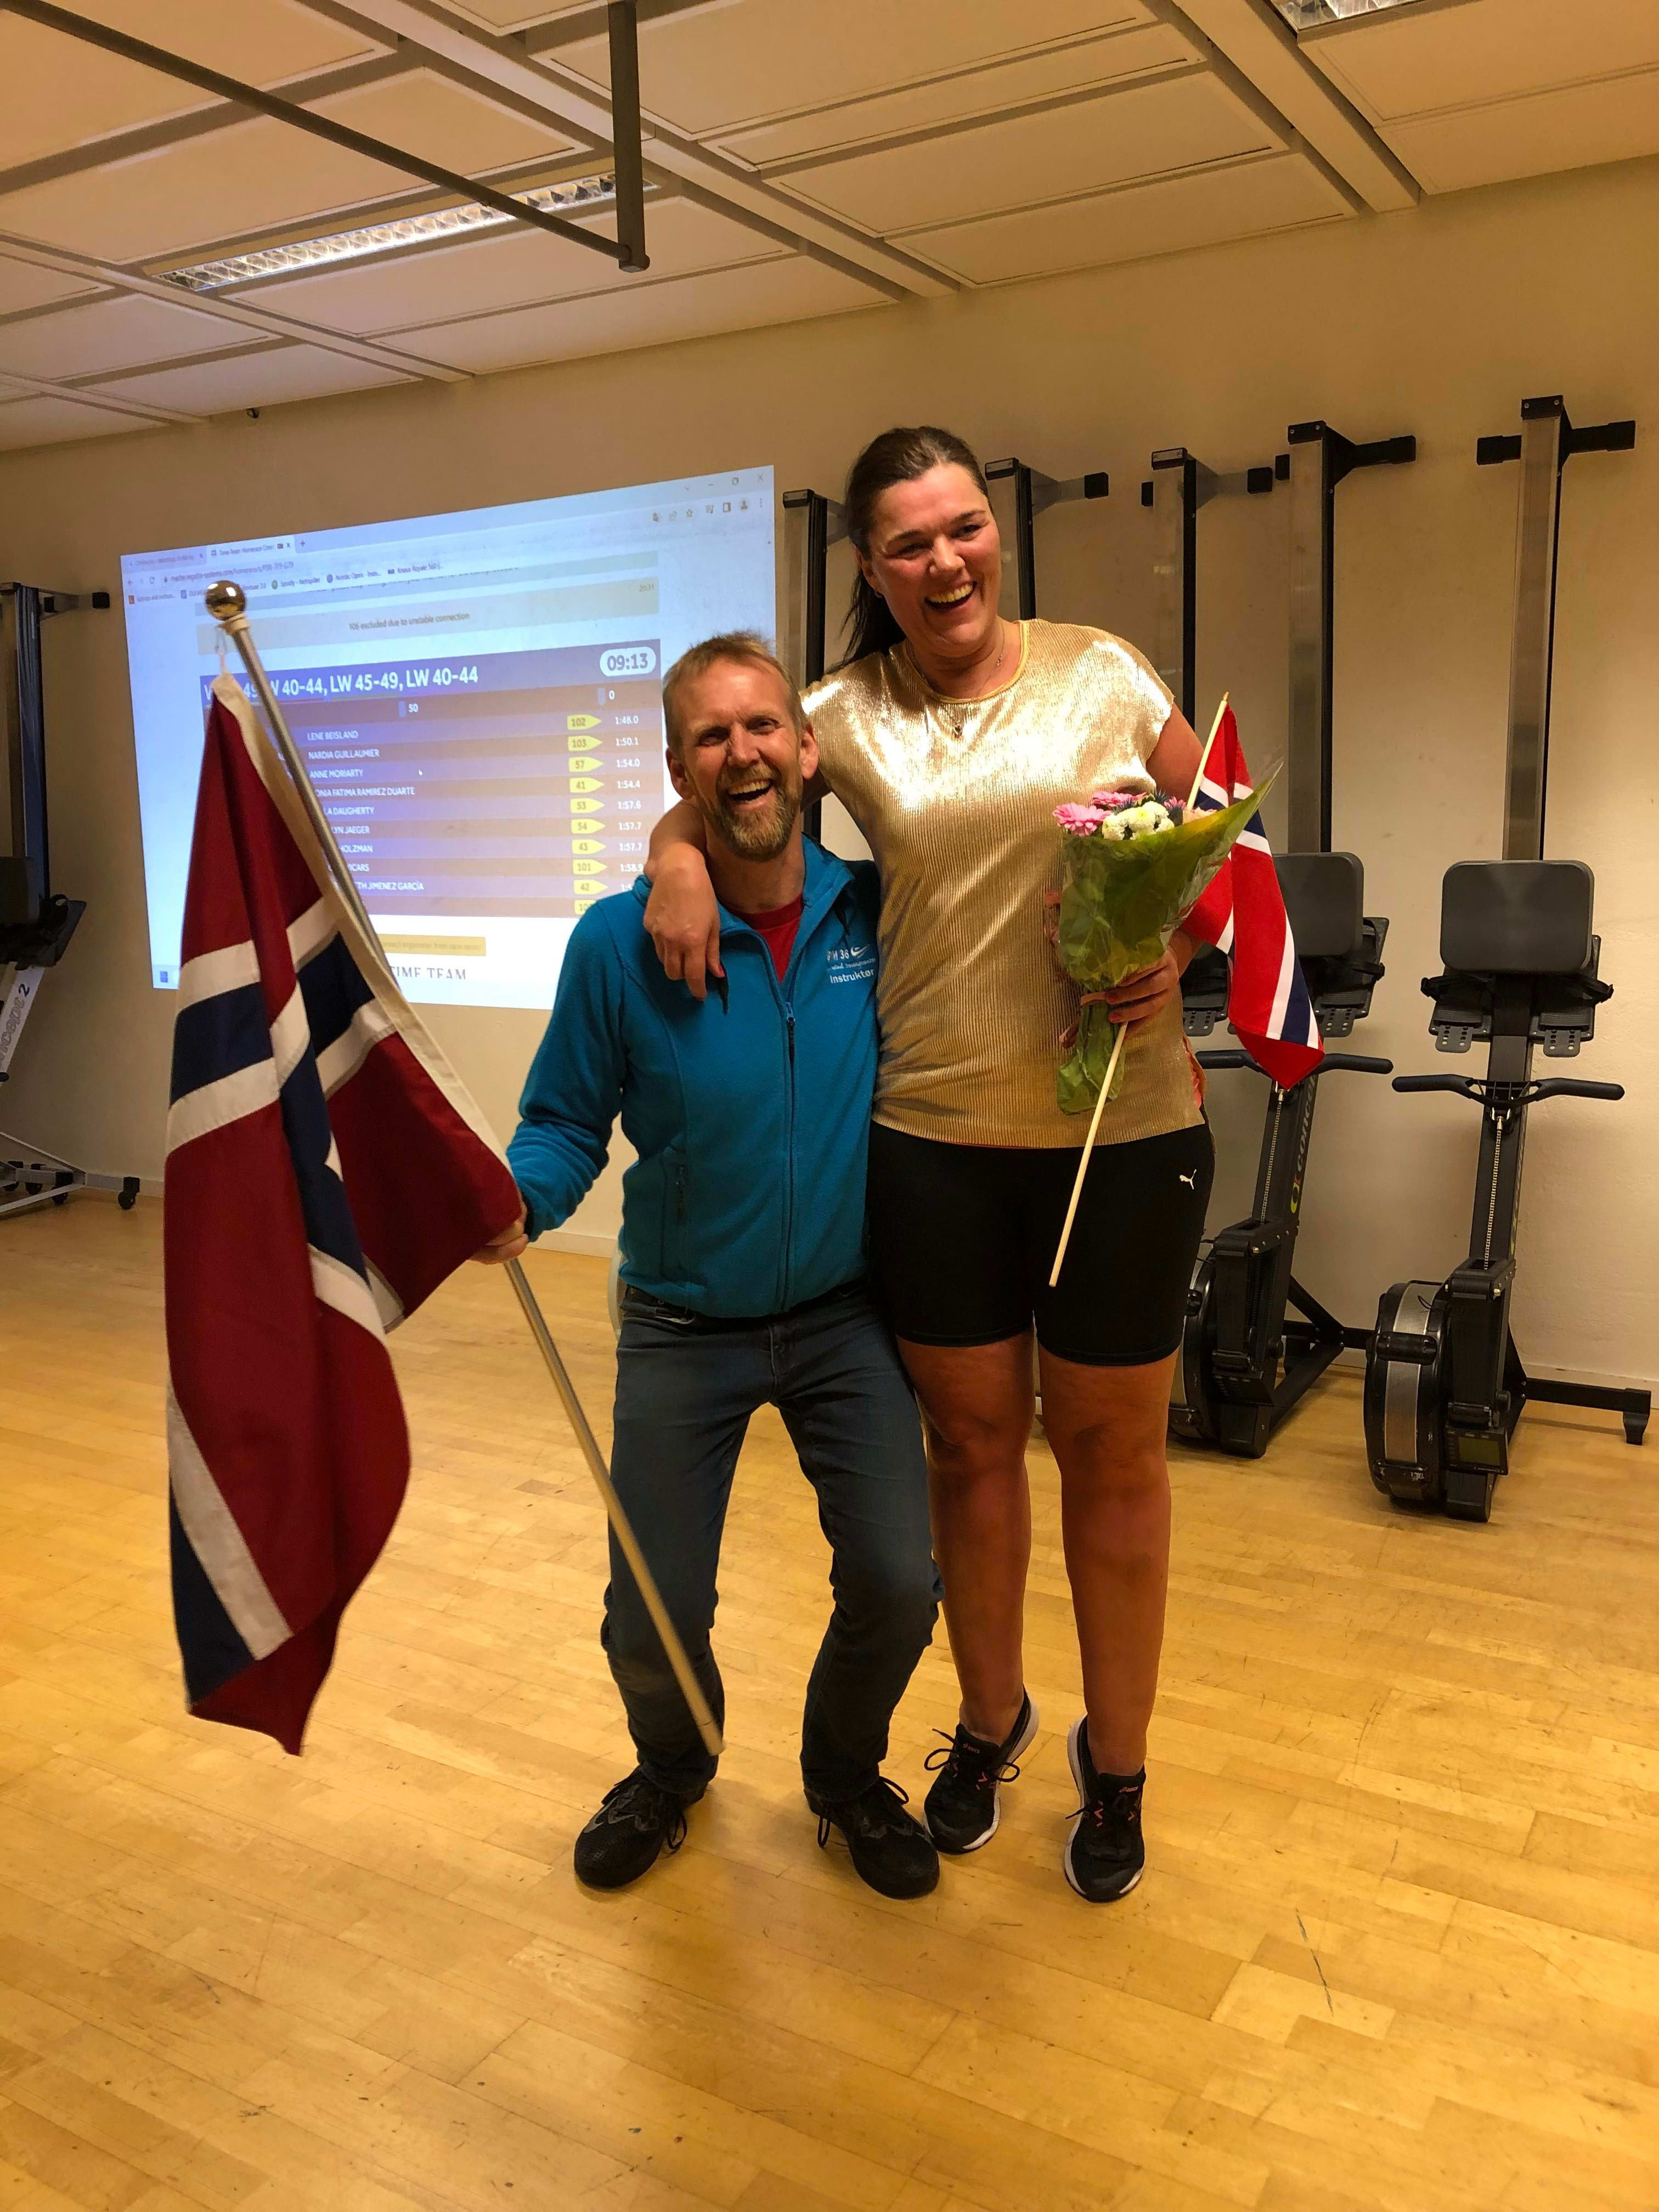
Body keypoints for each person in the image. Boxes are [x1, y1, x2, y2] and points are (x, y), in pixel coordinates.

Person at [644, 430, 1212, 1904]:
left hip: (1123, 1133)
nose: (945, 560)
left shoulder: (1105, 672)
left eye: (964, 527)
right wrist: (676, 864)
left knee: (1113, 1457)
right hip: (936, 1145)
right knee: (969, 1450)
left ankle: (1119, 1762)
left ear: (994, 530)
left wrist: (1179, 949)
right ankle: (990, 1719)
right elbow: (722, 788)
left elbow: (1233, 847)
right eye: (910, 542)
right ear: (874, 567)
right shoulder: (840, 713)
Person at [475, 633, 941, 1900]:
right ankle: (672, 1769)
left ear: (808, 748)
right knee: (650, 1617)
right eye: (712, 736)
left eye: (763, 726)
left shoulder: (874, 910)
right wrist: (520, 1197)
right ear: (680, 770)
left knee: (901, 1584)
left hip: (846, 1319)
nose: (744, 753)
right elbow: (565, 1120)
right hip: (683, 1324)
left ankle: (844, 1777)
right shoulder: (615, 944)